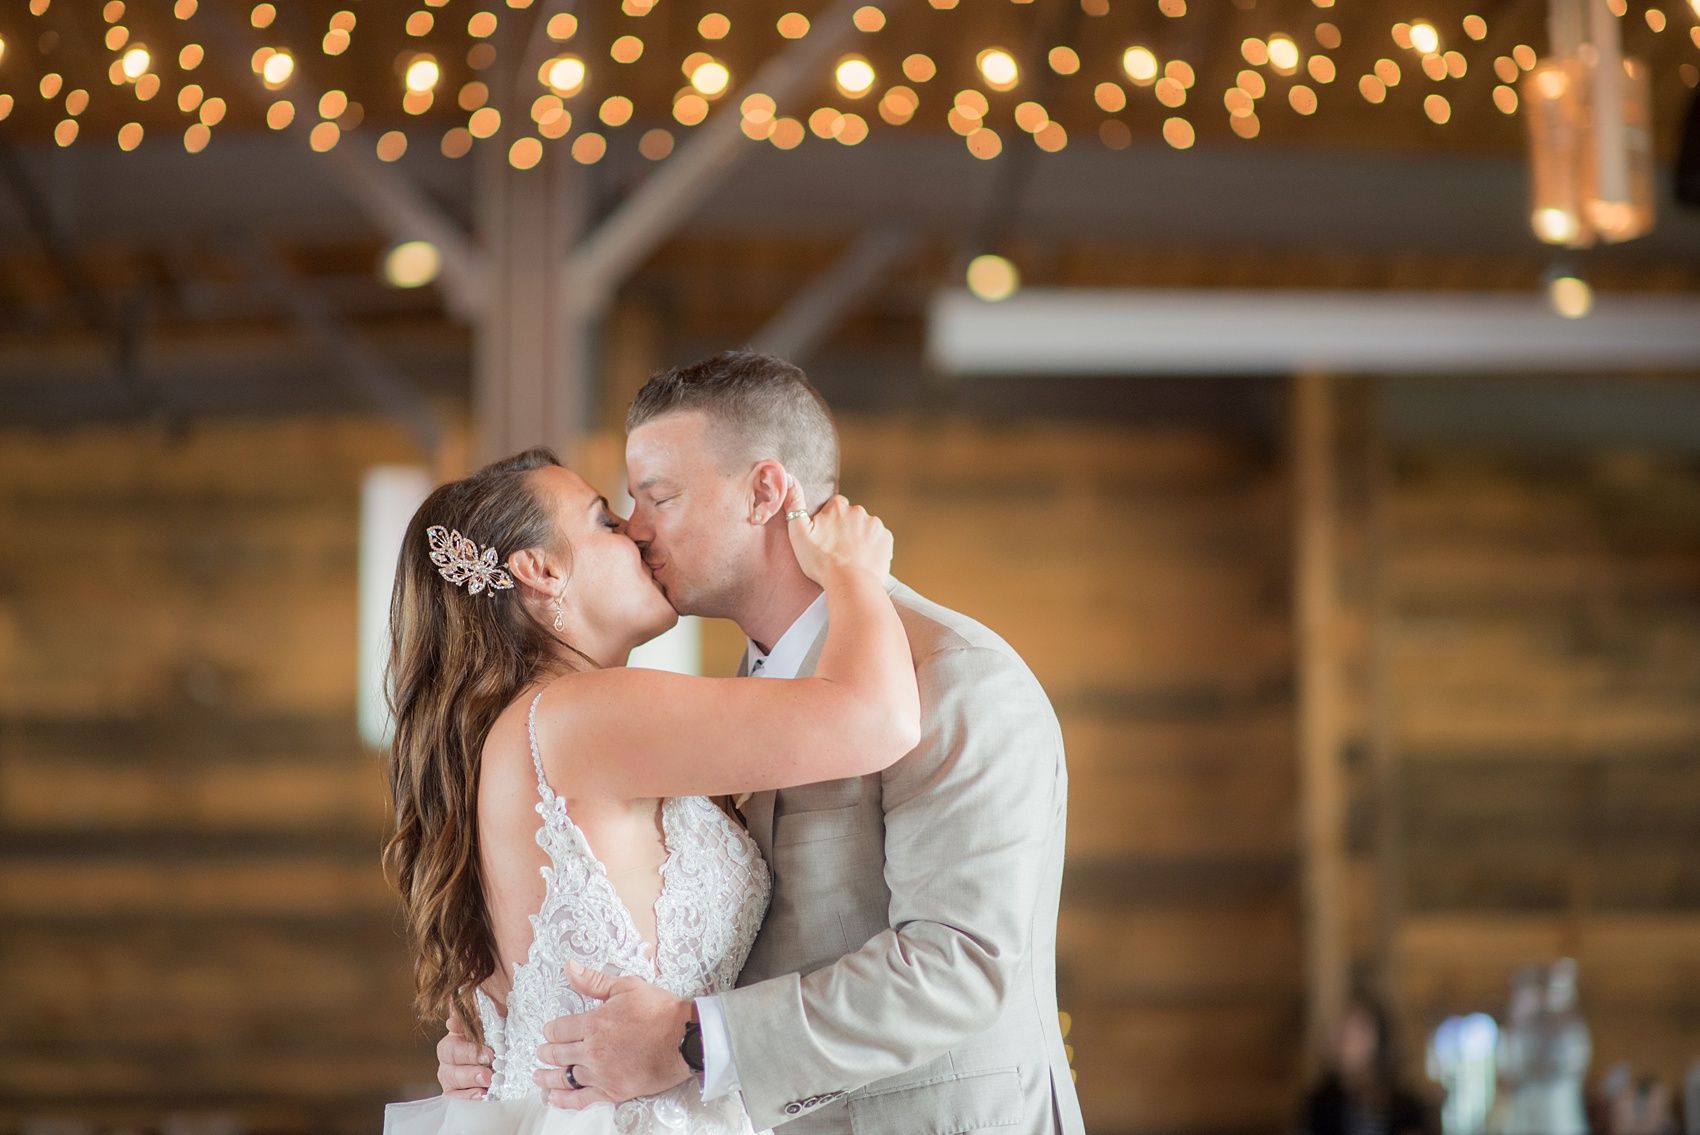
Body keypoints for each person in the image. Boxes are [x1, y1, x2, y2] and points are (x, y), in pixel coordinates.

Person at [436, 352, 1084, 1135]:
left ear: (766, 492)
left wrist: (694, 1041)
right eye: (622, 509)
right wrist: (516, 1028)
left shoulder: (956, 674)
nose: (638, 531)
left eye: (658, 497)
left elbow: (961, 966)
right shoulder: (714, 710)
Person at [382, 444, 921, 1135]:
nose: (635, 531)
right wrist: (853, 573)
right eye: (605, 520)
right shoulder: (581, 715)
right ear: (540, 570)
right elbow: (880, 717)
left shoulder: (533, 732)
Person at [1299, 995, 1432, 1135]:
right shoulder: (1320, 1104)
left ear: (1379, 1038)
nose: (1345, 1040)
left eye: (1357, 1031)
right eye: (1342, 1030)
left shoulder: (1406, 1108)